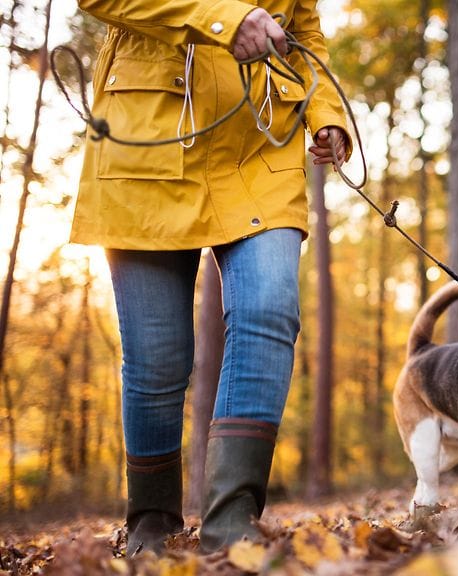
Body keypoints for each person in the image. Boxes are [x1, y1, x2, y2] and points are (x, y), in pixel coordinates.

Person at [72, 0, 351, 555]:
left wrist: (327, 112)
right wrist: (224, 17)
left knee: (269, 310)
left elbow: (305, 31)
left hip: (260, 144)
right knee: (157, 357)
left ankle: (232, 523)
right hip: (145, 142)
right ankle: (151, 524)